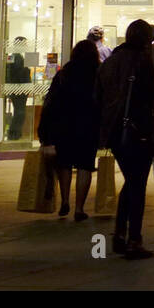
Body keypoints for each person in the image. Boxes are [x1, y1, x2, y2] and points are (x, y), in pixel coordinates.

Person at [96, 19, 154, 260]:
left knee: (131, 181)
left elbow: (99, 95)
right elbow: (151, 95)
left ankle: (119, 235)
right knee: (137, 185)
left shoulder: (111, 61)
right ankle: (134, 239)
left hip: (116, 132)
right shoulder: (142, 61)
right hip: (139, 130)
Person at [38, 40, 102, 223]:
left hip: (63, 126)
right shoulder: (97, 73)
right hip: (88, 126)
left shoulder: (64, 73)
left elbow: (51, 102)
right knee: (85, 166)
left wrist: (45, 132)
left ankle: (65, 201)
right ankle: (79, 208)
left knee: (64, 164)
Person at [6, 37, 30, 141]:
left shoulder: (13, 56)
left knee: (19, 111)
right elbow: (16, 74)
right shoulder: (16, 57)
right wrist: (27, 70)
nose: (26, 46)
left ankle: (14, 133)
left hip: (17, 88)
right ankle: (14, 134)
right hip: (19, 89)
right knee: (20, 112)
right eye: (24, 44)